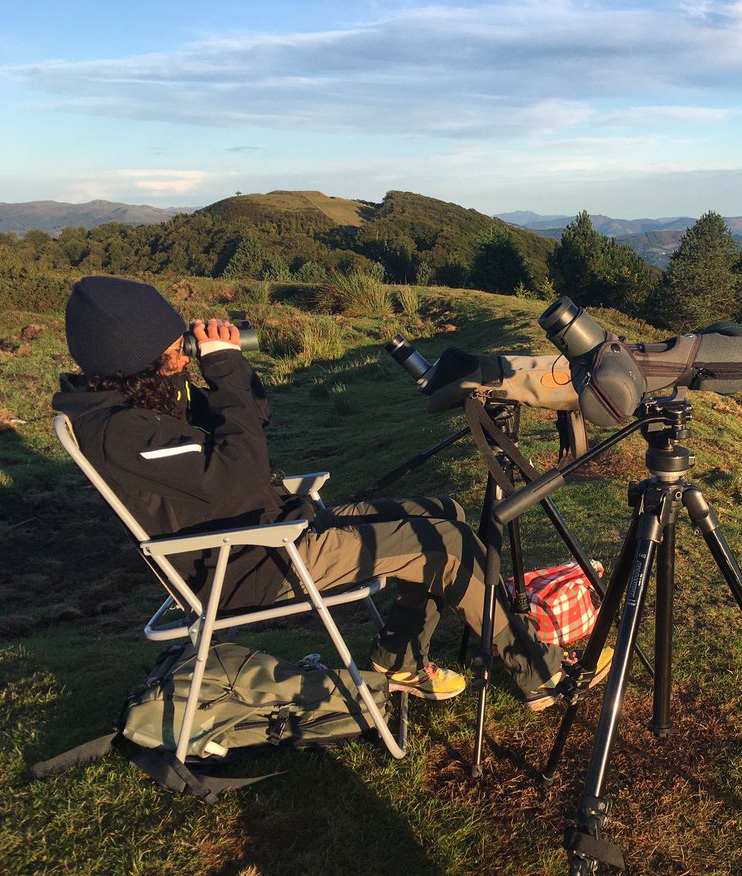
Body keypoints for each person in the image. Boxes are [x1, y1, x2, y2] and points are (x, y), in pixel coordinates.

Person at [53, 275, 609, 709]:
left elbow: (254, 419)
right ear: (135, 356)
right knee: (445, 542)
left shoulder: (138, 400)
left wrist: (227, 372)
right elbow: (240, 471)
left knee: (443, 509)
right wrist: (221, 370)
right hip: (252, 559)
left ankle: (398, 659)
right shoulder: (124, 432)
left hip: (266, 527)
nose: (185, 348)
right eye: (175, 343)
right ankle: (544, 678)